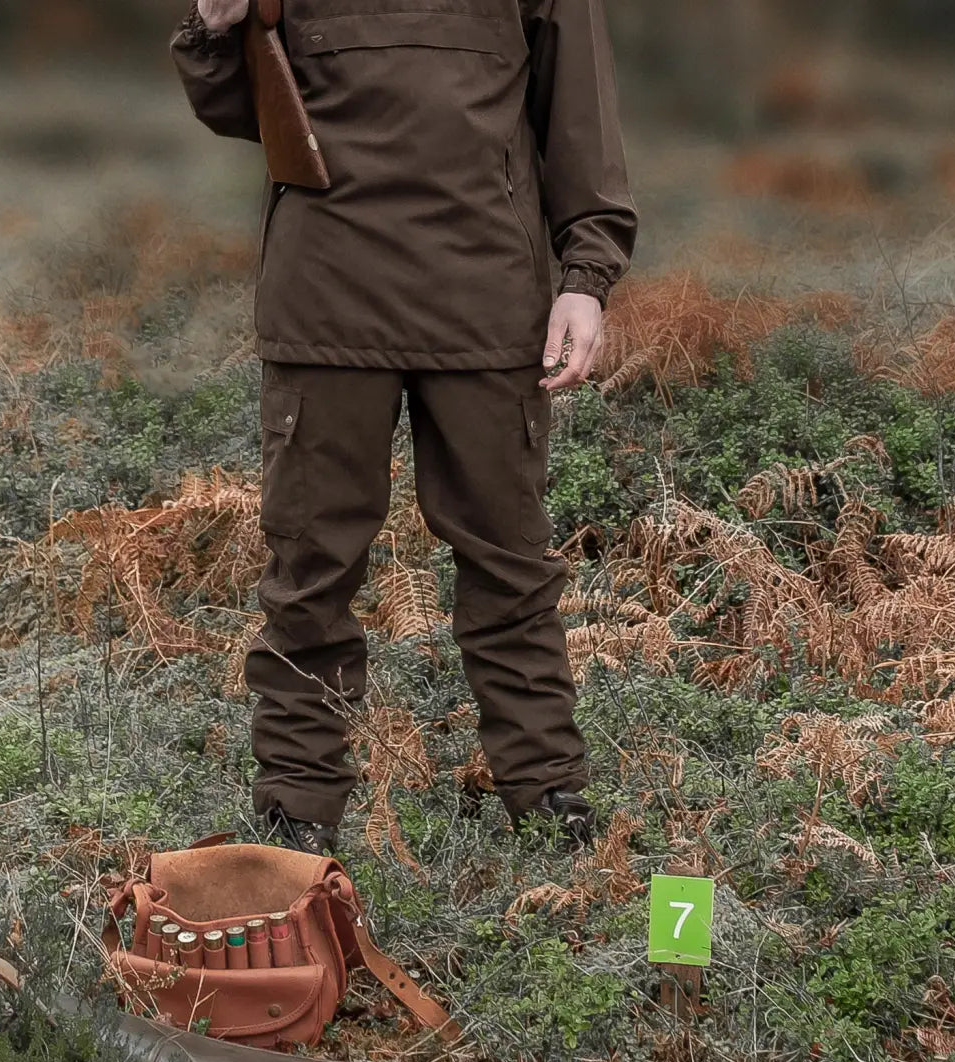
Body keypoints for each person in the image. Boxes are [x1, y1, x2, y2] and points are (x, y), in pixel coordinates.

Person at [171, 0, 637, 855]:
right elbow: (243, 111)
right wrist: (213, 25)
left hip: (489, 299)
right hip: (326, 300)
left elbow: (581, 118)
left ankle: (550, 806)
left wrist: (586, 274)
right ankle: (297, 818)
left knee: (511, 565)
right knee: (309, 569)